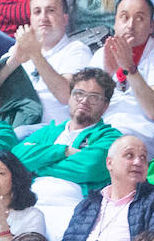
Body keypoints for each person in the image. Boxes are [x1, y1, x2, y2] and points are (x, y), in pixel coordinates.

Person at [57, 135, 154, 241]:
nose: (138, 162)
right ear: (109, 163)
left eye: (143, 157)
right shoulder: (88, 204)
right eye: (129, 155)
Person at [86, 0, 154, 159]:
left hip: (144, 135)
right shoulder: (101, 54)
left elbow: (153, 111)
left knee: (96, 152)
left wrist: (129, 68)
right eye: (124, 17)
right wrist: (106, 76)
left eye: (139, 18)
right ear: (114, 22)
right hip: (102, 133)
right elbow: (88, 111)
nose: (130, 25)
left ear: (152, 26)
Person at [10, 68, 122, 201]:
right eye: (79, 93)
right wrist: (64, 151)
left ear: (105, 106)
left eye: (94, 97)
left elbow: (89, 168)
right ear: (70, 97)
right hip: (29, 201)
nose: (84, 101)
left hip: (74, 206)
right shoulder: (48, 131)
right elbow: (14, 159)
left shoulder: (111, 138)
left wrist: (36, 166)